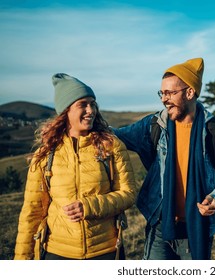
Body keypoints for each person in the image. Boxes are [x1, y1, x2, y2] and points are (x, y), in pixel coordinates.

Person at [113, 58, 215, 260]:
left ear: (190, 92)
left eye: (170, 93)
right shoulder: (154, 125)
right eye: (161, 93)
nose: (164, 99)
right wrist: (90, 121)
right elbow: (117, 136)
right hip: (160, 224)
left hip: (197, 228)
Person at [14, 73, 137, 260]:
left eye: (92, 104)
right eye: (82, 104)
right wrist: (21, 261)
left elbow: (128, 194)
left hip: (104, 251)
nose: (91, 110)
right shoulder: (46, 154)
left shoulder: (111, 146)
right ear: (66, 111)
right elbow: (32, 212)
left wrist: (90, 206)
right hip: (56, 253)